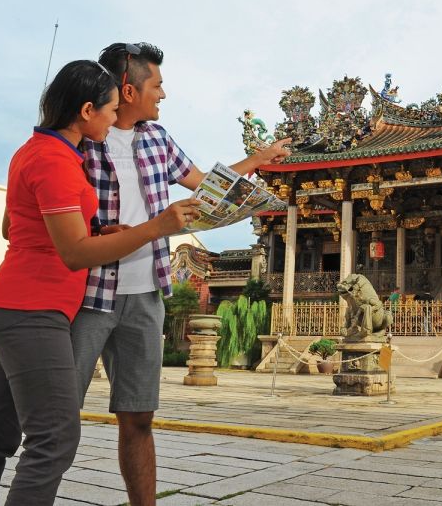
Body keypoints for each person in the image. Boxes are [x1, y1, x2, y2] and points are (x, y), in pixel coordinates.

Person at [0, 61, 201, 506]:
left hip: (17, 304)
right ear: (87, 110)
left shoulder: (45, 151)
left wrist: (98, 228)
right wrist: (154, 227)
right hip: (33, 310)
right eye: (107, 110)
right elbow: (74, 254)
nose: (113, 117)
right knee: (55, 437)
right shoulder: (56, 161)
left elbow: (19, 226)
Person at [71, 42, 290, 506]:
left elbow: (203, 185)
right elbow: (58, 211)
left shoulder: (157, 138)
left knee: (139, 417)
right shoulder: (83, 137)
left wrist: (257, 161)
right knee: (57, 413)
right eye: (157, 85)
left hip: (146, 290)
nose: (163, 95)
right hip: (87, 292)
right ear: (127, 90)